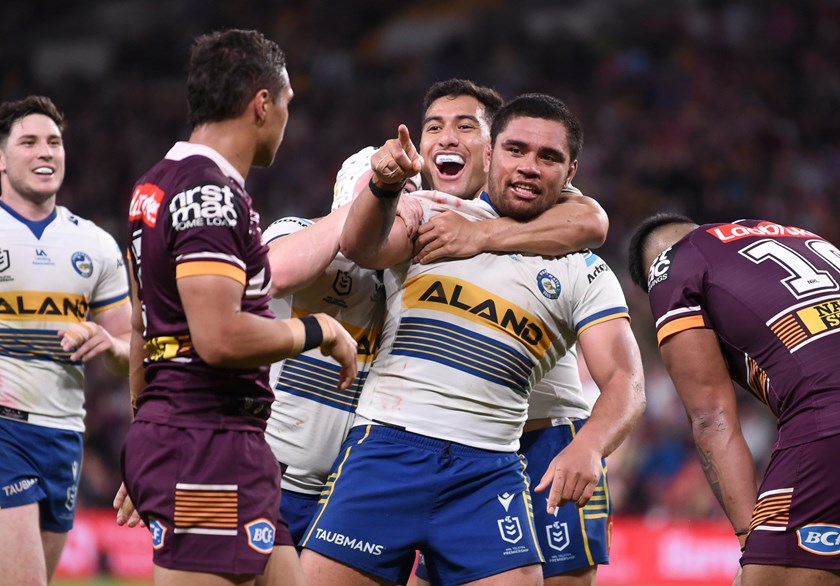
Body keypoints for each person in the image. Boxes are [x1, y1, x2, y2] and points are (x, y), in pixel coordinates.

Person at [299, 93, 645, 586]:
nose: (529, 166)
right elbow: (362, 245)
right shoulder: (429, 213)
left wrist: (590, 445)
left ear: (571, 175)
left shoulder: (584, 270)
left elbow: (626, 381)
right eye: (516, 150)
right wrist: (383, 183)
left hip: (491, 470)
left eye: (548, 157)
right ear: (489, 156)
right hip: (388, 450)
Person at [121, 29, 357, 586]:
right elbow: (220, 338)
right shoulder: (210, 193)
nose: (286, 121)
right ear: (262, 104)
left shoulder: (154, 185)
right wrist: (318, 328)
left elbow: (141, 326)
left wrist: (145, 428)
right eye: (288, 104)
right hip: (204, 445)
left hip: (213, 440)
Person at [412, 78, 617, 586]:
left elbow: (593, 219)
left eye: (467, 126)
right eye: (436, 126)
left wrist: (482, 237)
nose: (451, 139)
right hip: (445, 443)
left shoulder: (555, 216)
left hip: (547, 438)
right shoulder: (423, 211)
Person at [628, 213, 840, 586]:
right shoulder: (801, 235)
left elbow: (711, 417)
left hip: (826, 414)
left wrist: (752, 543)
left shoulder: (670, 263)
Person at [0, 95, 132, 586]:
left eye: (54, 142)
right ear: (1, 157)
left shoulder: (95, 245)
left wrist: (108, 344)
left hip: (62, 437)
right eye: (29, 141)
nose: (45, 152)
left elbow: (128, 352)